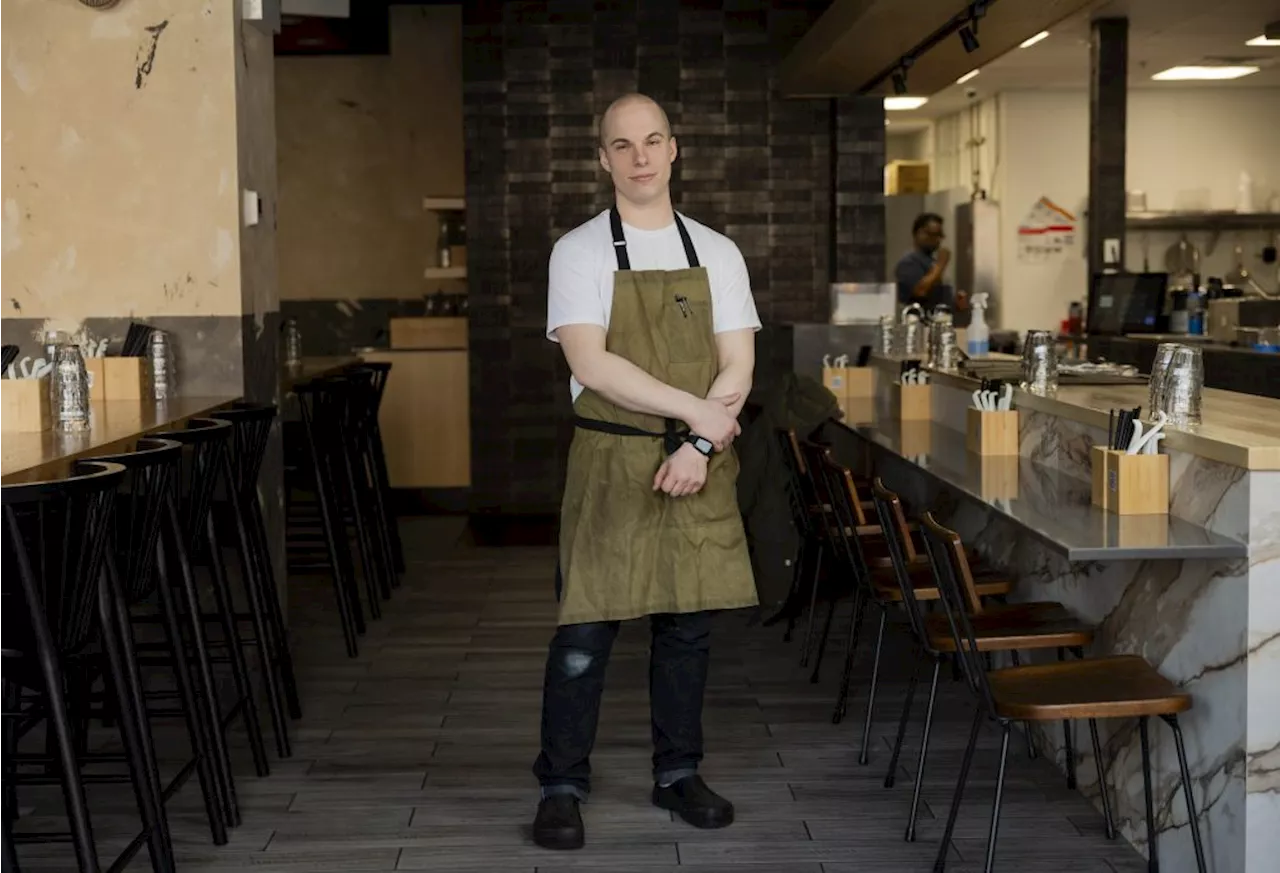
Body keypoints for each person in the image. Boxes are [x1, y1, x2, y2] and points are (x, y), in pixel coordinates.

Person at [532, 92, 762, 851]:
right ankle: (562, 784)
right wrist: (699, 417)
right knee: (584, 632)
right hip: (609, 457)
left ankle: (678, 774)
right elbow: (591, 362)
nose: (639, 157)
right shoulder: (580, 251)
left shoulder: (717, 252)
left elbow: (739, 362)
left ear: (673, 150)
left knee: (687, 629)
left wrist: (698, 445)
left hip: (698, 462)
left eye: (652, 141)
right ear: (603, 158)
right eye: (622, 145)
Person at [894, 212, 965, 311]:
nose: (935, 239)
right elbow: (920, 291)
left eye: (938, 235)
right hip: (919, 322)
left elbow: (935, 296)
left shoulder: (932, 262)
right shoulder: (908, 262)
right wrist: (940, 265)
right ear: (917, 233)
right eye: (931, 234)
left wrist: (954, 302)